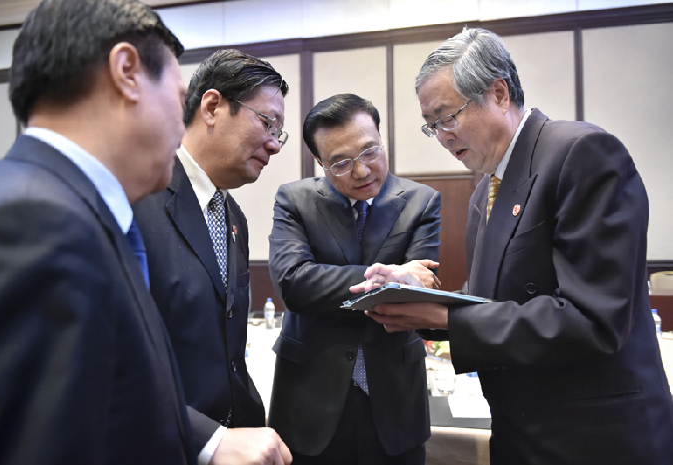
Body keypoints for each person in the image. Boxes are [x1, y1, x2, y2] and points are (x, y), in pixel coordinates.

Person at [354, 27, 673, 464]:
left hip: (593, 437)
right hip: (522, 432)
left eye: (448, 117)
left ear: (499, 94)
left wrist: (446, 317)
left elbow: (594, 320)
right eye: (432, 126)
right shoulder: (484, 193)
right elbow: (497, 301)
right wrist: (416, 296)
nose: (443, 136)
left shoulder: (580, 153)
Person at [0, 0, 196, 464]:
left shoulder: (71, 209)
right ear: (127, 71)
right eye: (180, 99)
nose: (183, 124)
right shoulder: (35, 223)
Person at [133, 49, 292, 465]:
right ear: (212, 107)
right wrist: (208, 440)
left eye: (280, 132)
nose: (274, 144)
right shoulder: (137, 197)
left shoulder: (233, 216)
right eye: (268, 122)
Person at [267, 93, 442, 464]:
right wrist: (387, 277)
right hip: (310, 400)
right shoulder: (295, 201)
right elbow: (294, 284)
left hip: (395, 398)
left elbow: (420, 291)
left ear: (381, 138)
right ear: (320, 162)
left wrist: (405, 283)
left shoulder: (421, 202)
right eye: (341, 163)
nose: (361, 171)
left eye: (369, 151)